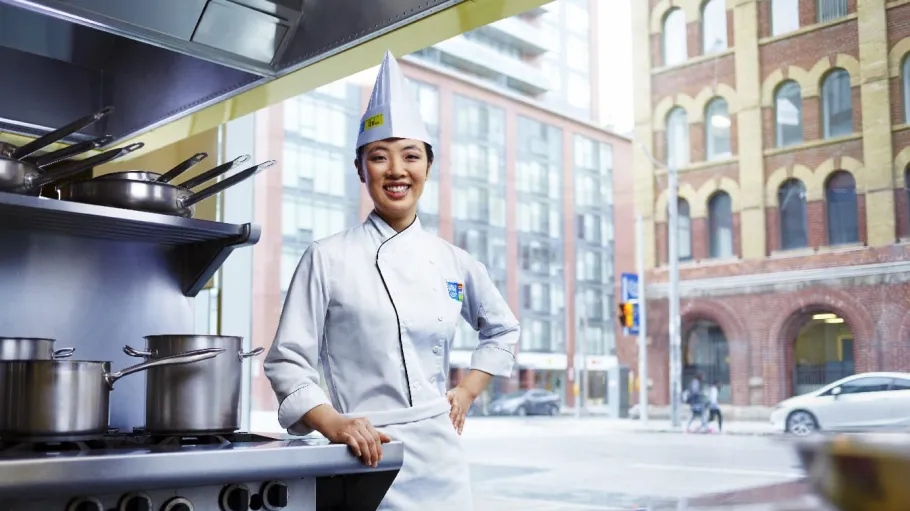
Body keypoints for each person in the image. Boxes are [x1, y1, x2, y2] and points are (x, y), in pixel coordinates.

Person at [263, 50, 521, 511]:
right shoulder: (327, 257)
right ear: (361, 169)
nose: (396, 170)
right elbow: (287, 362)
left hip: (442, 460)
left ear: (428, 167)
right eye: (379, 157)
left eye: (411, 156)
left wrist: (466, 390)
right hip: (364, 453)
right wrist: (334, 423)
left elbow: (502, 329)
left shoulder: (454, 262)